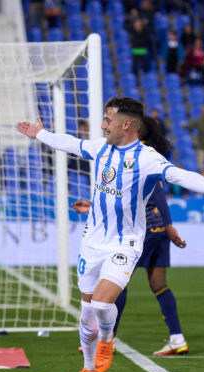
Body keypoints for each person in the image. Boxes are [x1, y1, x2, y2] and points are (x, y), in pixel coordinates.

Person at [16, 97, 204, 372]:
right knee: (87, 312)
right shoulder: (102, 148)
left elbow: (181, 175)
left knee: (103, 303)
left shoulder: (147, 158)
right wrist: (40, 134)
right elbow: (70, 143)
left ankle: (107, 339)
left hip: (125, 243)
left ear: (126, 124)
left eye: (108, 120)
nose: (103, 125)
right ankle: (88, 370)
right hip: (92, 241)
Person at [71, 116, 191, 357]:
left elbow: (153, 194)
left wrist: (169, 226)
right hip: (157, 230)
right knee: (159, 285)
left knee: (116, 281)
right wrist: (167, 226)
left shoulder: (138, 156)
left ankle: (108, 339)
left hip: (142, 232)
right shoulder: (145, 155)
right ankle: (178, 338)